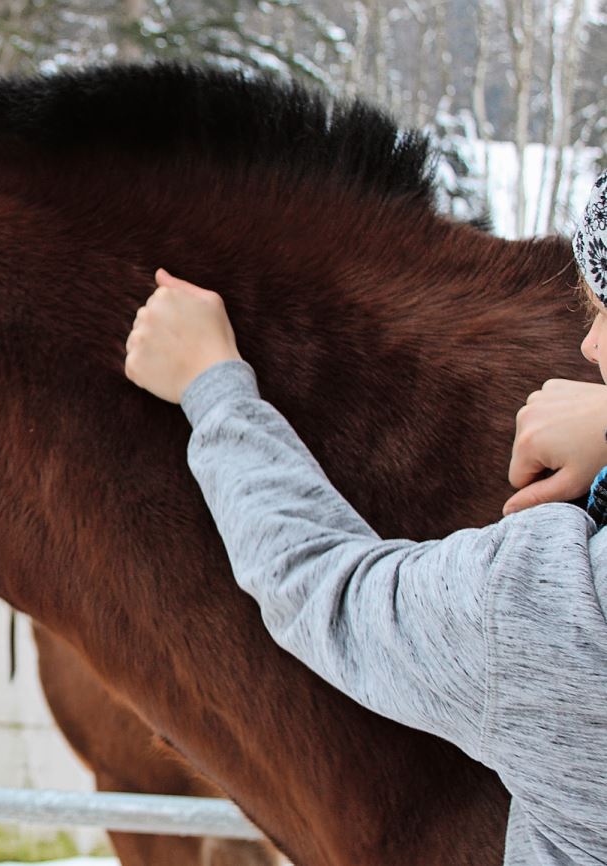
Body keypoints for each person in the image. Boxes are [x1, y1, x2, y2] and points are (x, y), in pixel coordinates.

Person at [123, 171, 607, 866]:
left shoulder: (555, 608)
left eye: (601, 311)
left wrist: (210, 380)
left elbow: (321, 584)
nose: (587, 346)